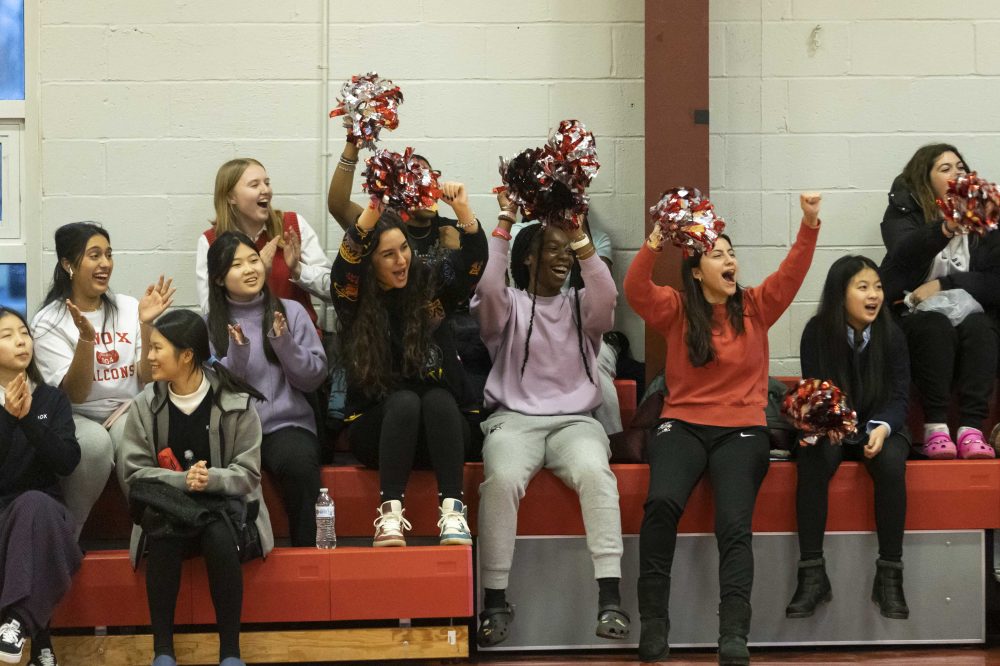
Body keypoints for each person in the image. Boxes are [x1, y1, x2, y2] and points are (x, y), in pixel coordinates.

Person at [624, 194, 823, 664]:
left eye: (732, 254)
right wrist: (656, 240)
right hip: (682, 425)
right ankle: (654, 626)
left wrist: (809, 224)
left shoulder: (755, 307)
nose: (730, 260)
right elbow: (635, 290)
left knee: (734, 525)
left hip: (742, 431)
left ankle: (733, 635)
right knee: (661, 504)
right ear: (696, 271)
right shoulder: (675, 308)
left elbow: (792, 274)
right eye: (718, 254)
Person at [472, 195, 627, 647]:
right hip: (514, 421)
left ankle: (610, 598)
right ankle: (495, 601)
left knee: (597, 473)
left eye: (568, 251)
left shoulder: (583, 307)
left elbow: (608, 296)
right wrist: (504, 223)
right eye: (553, 249)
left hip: (575, 422)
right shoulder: (509, 306)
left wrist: (580, 237)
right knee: (499, 479)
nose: (563, 258)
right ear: (530, 258)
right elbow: (486, 291)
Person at [331, 182, 486, 547]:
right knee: (404, 402)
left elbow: (474, 264)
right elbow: (344, 266)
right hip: (379, 432)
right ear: (370, 263)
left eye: (404, 249)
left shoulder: (430, 287)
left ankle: (453, 511)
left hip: (442, 431)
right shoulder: (354, 302)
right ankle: (389, 515)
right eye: (388, 255)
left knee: (435, 399)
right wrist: (372, 209)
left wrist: (464, 211)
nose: (401, 260)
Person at [120, 309, 273, 666]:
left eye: (158, 348)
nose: (150, 357)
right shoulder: (145, 404)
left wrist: (212, 479)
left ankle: (231, 655)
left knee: (218, 534)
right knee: (162, 532)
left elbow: (249, 473)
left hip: (224, 508)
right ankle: (163, 654)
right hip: (168, 508)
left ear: (186, 354)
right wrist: (181, 480)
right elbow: (133, 473)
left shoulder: (236, 400)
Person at [787, 256, 911, 621]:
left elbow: (900, 396)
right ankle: (811, 574)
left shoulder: (893, 334)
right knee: (810, 455)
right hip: (834, 427)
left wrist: (881, 427)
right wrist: (838, 427)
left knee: (889, 461)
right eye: (863, 287)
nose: (873, 295)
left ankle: (890, 576)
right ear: (840, 295)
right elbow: (819, 393)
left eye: (877, 287)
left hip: (881, 427)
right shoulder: (816, 332)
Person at [31, 222, 174, 535]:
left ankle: (148, 535)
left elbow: (148, 377)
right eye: (94, 255)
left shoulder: (128, 307)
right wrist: (86, 340)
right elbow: (77, 395)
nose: (105, 264)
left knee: (130, 437)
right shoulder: (48, 322)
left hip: (127, 409)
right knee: (94, 445)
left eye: (108, 254)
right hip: (76, 415)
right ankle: (70, 533)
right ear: (68, 264)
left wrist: (147, 325)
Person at [206, 232, 327, 547]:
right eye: (236, 265)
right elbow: (214, 393)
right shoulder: (210, 325)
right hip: (234, 432)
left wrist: (284, 343)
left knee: (299, 464)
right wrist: (239, 354)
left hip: (286, 425)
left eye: (253, 260)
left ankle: (310, 558)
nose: (249, 269)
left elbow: (313, 379)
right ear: (219, 279)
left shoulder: (291, 312)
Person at [879, 143, 1000, 459]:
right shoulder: (903, 210)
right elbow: (902, 253)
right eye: (945, 169)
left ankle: (972, 429)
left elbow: (996, 279)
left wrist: (945, 283)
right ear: (925, 179)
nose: (956, 173)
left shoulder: (985, 212)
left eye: (960, 168)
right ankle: (936, 428)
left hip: (971, 310)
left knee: (981, 328)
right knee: (934, 326)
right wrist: (944, 228)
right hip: (913, 313)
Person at [0, 307, 81, 666]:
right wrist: (7, 418)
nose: (21, 341)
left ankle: (15, 623)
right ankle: (41, 639)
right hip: (4, 516)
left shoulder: (51, 399)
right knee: (24, 515)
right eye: (7, 336)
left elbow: (66, 461)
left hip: (45, 515)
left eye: (24, 333)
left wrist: (29, 420)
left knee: (35, 505)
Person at [196, 158, 331, 328]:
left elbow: (334, 290)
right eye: (254, 185)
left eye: (267, 183)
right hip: (244, 346)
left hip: (299, 342)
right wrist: (260, 274)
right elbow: (211, 310)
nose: (265, 190)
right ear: (231, 197)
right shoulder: (211, 241)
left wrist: (298, 269)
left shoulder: (293, 225)